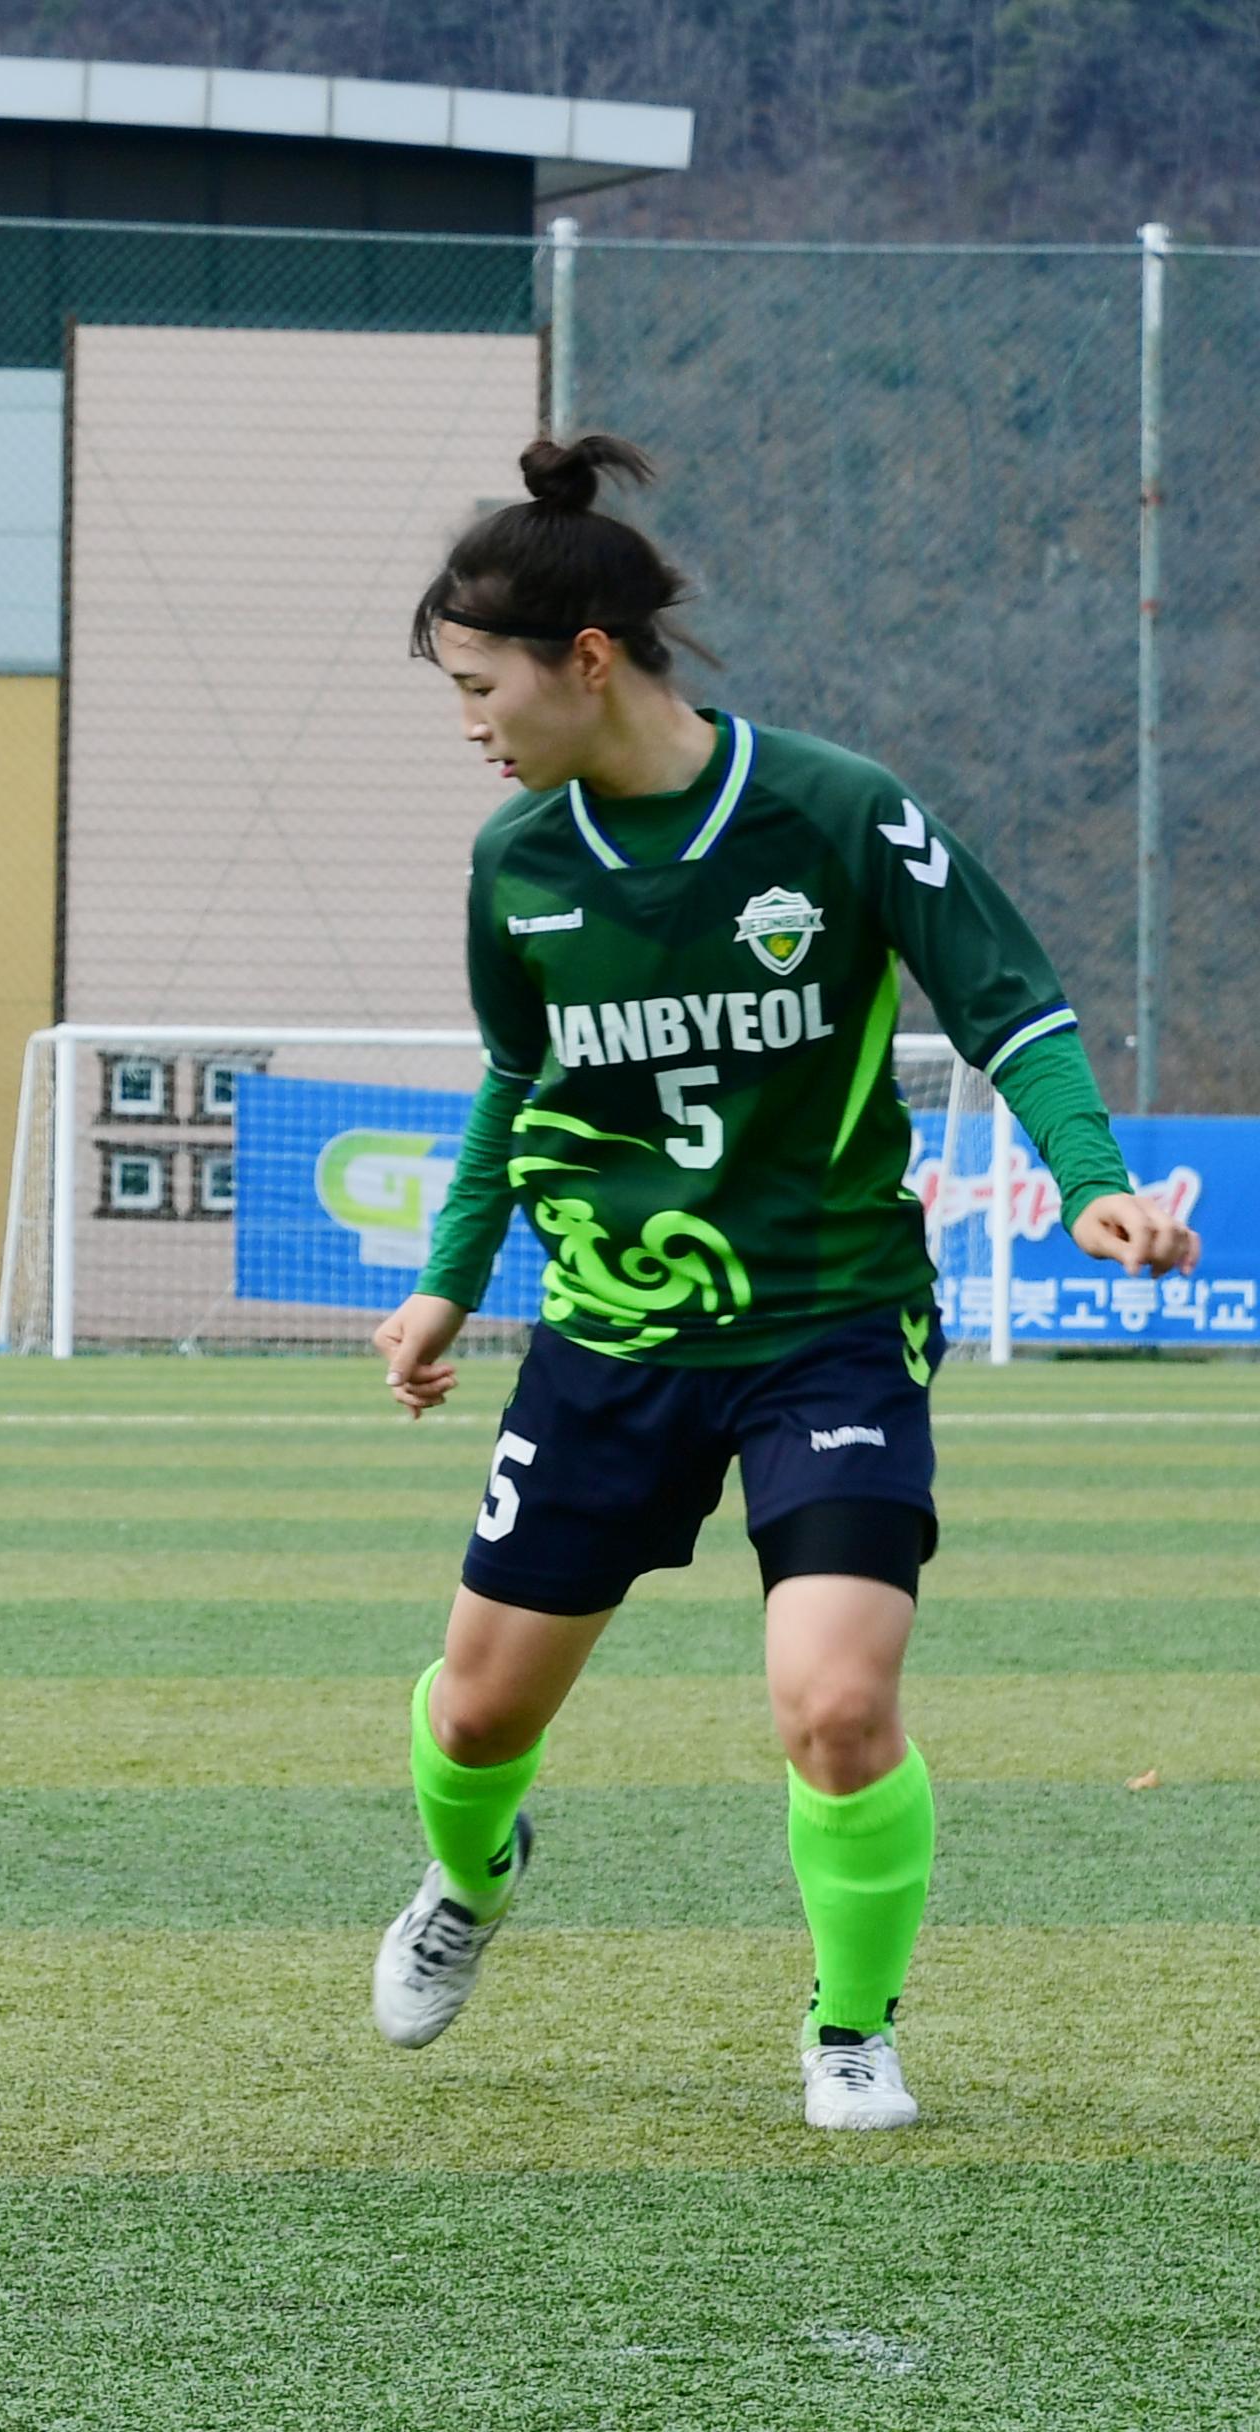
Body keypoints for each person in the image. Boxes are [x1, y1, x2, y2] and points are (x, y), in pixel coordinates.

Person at [369, 434, 1200, 2129]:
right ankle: (470, 1879)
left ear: (582, 661)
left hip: (824, 1324)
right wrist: (447, 1281)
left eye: (477, 684)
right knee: (470, 1718)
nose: (467, 720)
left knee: (833, 1698)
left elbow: (1009, 998)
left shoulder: (829, 808)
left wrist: (1090, 1180)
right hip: (603, 1339)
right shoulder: (514, 870)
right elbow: (512, 1086)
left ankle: (847, 2027)